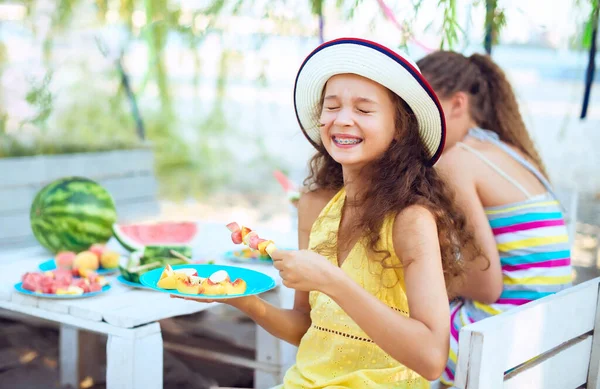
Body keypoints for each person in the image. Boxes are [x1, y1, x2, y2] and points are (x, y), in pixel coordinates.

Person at [175, 38, 479, 388]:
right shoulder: (316, 207)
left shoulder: (410, 220)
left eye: (364, 110)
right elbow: (309, 327)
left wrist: (333, 281)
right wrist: (243, 300)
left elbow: (430, 359)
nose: (342, 120)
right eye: (331, 107)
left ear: (399, 129)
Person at [416, 51, 573, 386]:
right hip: (548, 337)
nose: (414, 123)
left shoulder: (456, 162)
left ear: (458, 104)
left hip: (502, 344)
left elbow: (486, 287)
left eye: (422, 109)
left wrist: (418, 273)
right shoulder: (510, 151)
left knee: (384, 321)